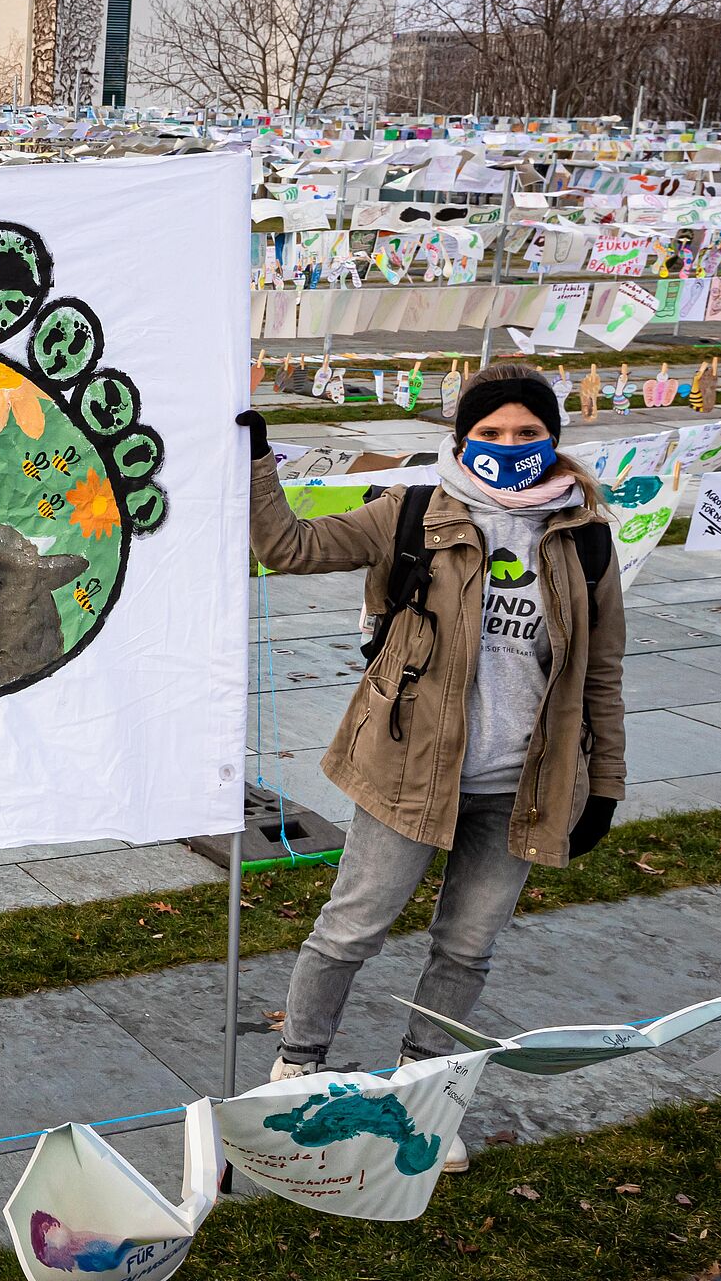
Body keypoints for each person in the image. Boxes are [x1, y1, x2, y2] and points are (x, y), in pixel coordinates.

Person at [238, 363, 625, 1172]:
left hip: (523, 786)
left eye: (527, 433)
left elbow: (601, 672)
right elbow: (288, 546)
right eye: (491, 433)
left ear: (553, 439)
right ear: (462, 437)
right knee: (351, 929)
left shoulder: (584, 536)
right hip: (408, 768)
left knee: (467, 949)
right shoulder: (412, 511)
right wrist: (257, 465)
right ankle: (297, 1067)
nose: (510, 447)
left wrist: (605, 787)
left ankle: (425, 1093)